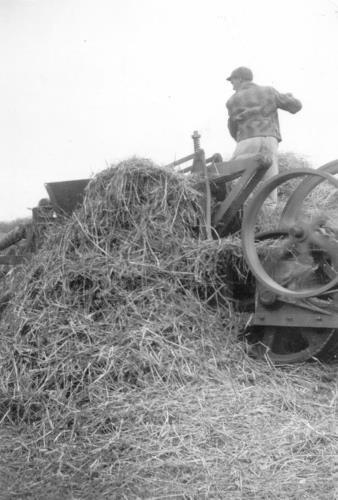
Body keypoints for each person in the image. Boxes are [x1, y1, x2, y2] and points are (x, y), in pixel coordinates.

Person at [226, 66, 302, 207]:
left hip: (246, 140)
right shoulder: (269, 91)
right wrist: (289, 97)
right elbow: (296, 106)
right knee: (269, 180)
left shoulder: (232, 101)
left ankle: (240, 211)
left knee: (238, 179)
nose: (232, 86)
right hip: (268, 138)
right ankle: (266, 216)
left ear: (241, 79)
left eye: (233, 81)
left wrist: (241, 140)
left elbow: (232, 127)